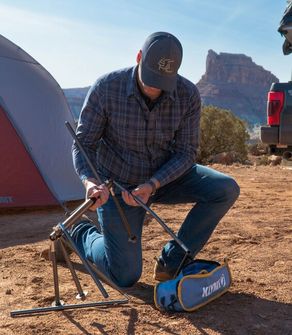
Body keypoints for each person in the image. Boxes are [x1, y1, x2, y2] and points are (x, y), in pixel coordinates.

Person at [72, 31, 240, 288]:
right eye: (151, 78)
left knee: (225, 189)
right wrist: (90, 183)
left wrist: (153, 184)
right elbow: (83, 144)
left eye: (163, 81)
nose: (155, 88)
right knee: (125, 276)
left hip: (166, 177)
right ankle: (79, 233)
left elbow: (186, 152)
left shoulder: (188, 95)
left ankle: (172, 262)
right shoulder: (106, 88)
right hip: (119, 186)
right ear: (139, 57)